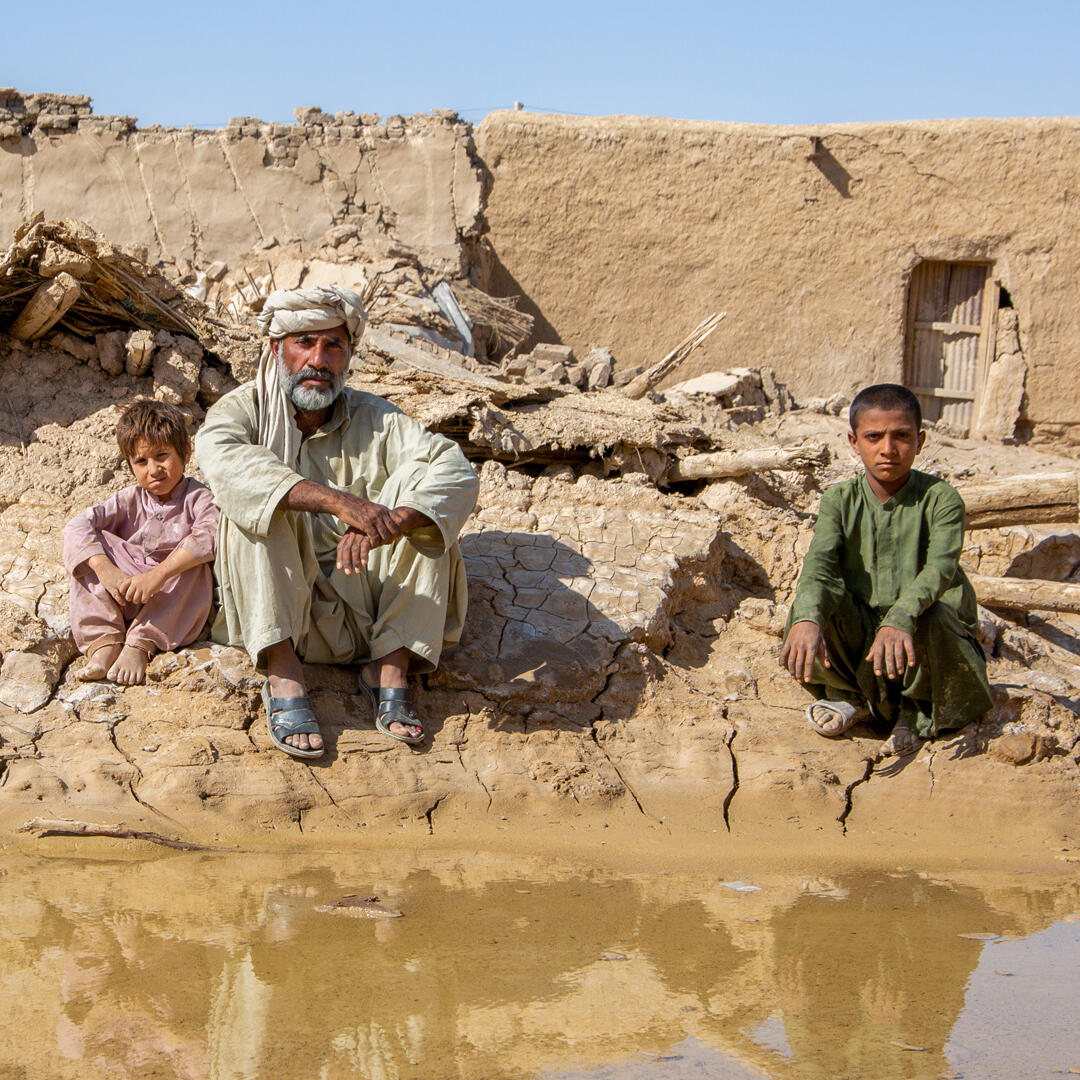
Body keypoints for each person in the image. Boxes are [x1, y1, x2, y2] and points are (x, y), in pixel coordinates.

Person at [194, 286, 478, 760]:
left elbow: (453, 468)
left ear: (348, 354)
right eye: (304, 342)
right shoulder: (240, 411)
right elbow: (227, 463)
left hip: (368, 612)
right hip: (286, 615)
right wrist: (341, 505)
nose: (318, 360)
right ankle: (284, 677)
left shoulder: (377, 417)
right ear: (276, 349)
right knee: (258, 503)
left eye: (333, 346)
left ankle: (388, 671)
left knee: (425, 500)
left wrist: (392, 520)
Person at [780, 383, 992, 756]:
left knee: (934, 613)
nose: (888, 449)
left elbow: (940, 568)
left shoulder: (940, 499)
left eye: (901, 436)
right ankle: (850, 696)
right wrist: (808, 616)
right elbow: (820, 562)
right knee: (810, 604)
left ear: (920, 440)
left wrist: (900, 616)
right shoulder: (839, 499)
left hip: (925, 639)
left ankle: (915, 711)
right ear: (853, 441)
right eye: (874, 436)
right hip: (865, 637)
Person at [63, 399, 219, 686]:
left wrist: (158, 575)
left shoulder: (199, 498)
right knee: (89, 544)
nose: (153, 469)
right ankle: (104, 642)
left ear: (185, 453)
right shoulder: (129, 499)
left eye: (162, 455)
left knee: (195, 564)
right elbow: (77, 525)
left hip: (172, 597)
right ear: (130, 465)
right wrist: (106, 570)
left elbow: (210, 535)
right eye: (141, 461)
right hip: (126, 591)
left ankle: (140, 643)